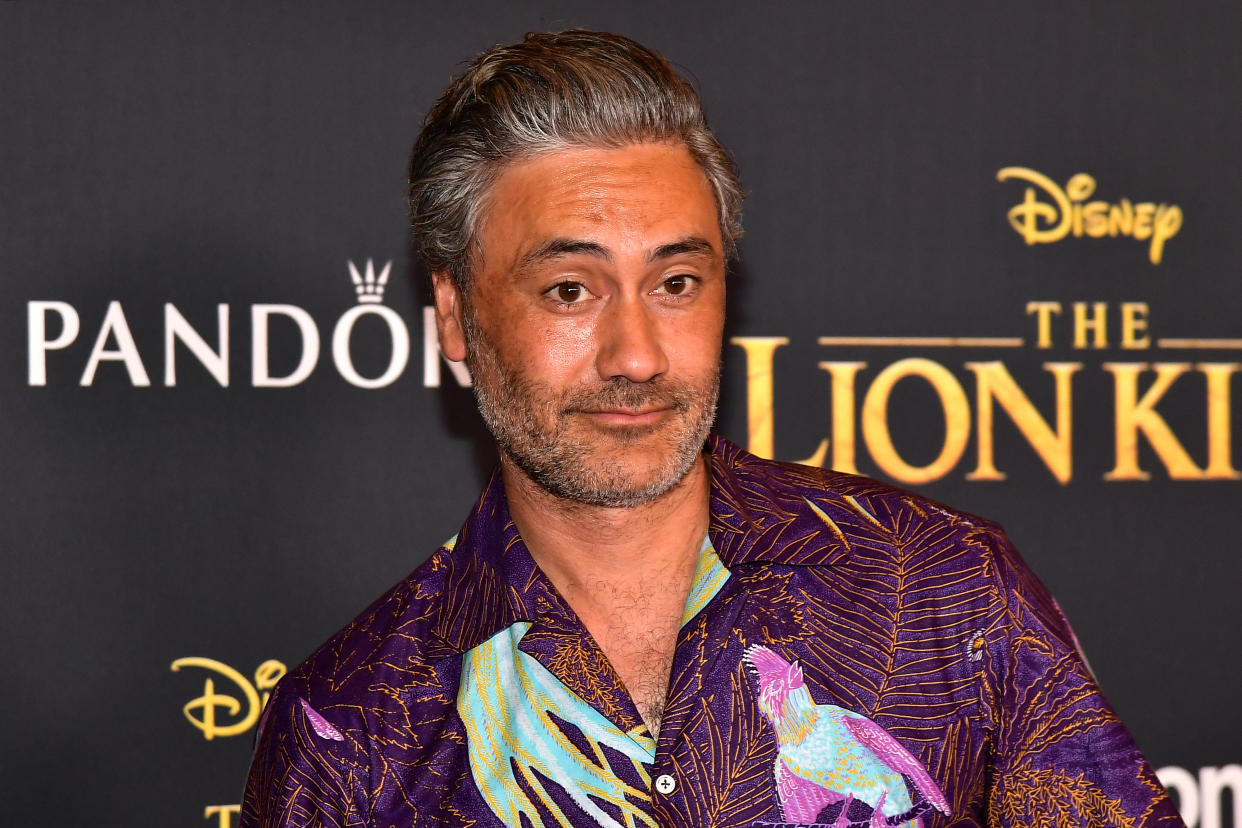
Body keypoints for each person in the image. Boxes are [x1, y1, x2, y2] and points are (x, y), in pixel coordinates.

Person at [240, 30, 1183, 828]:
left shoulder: (944, 590)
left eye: (676, 283)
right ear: (454, 314)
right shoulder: (352, 731)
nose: (638, 355)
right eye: (569, 289)